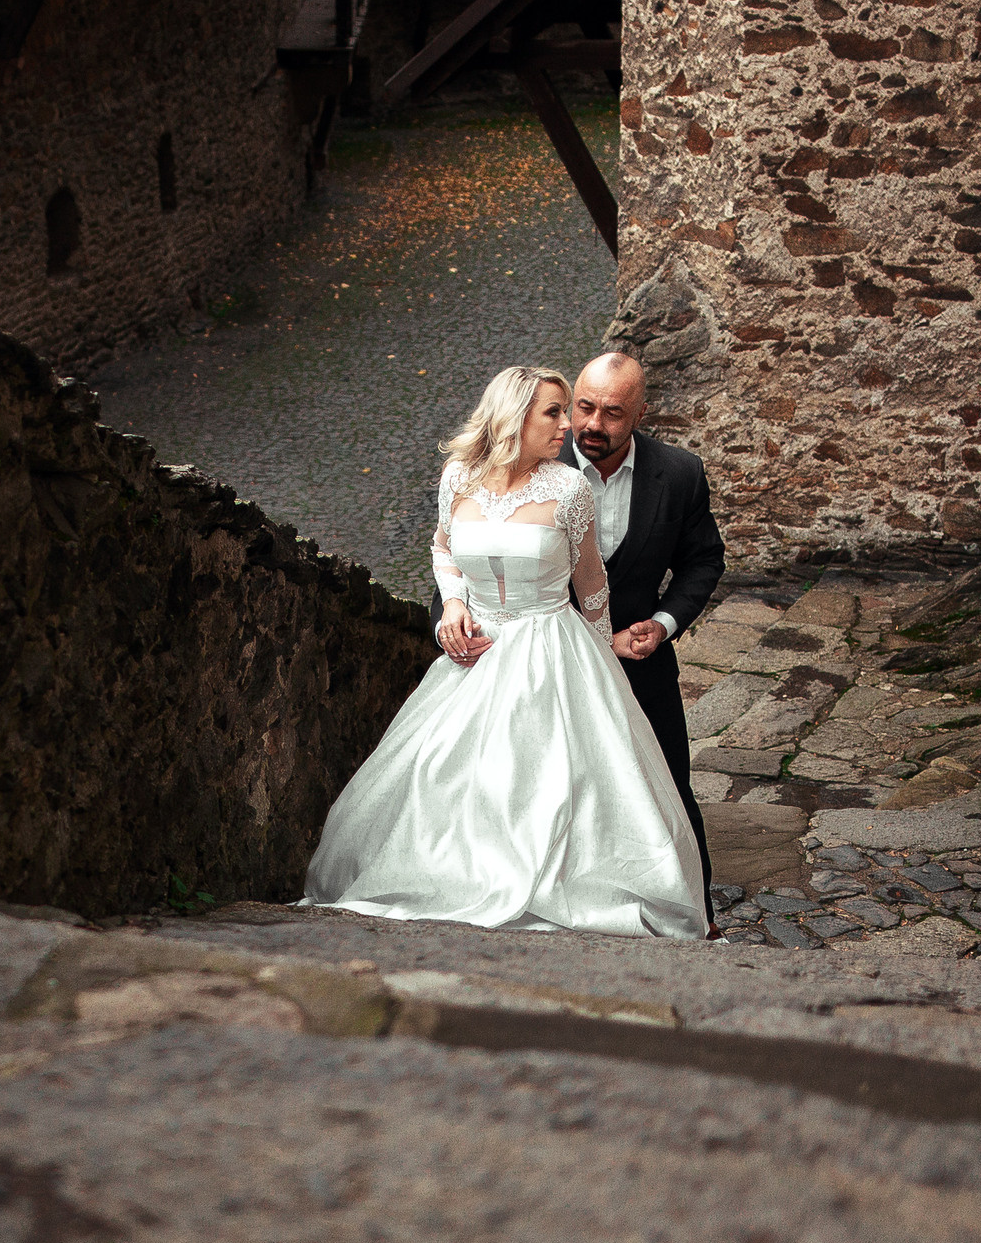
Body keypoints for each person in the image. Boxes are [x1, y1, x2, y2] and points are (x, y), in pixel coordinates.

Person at [299, 366, 706, 937]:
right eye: (556, 412)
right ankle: (459, 883)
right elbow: (444, 549)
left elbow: (591, 585)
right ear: (514, 415)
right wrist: (455, 605)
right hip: (477, 656)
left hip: (552, 648)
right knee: (451, 776)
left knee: (560, 782)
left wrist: (600, 670)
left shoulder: (567, 488)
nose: (568, 426)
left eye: (572, 412)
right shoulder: (458, 477)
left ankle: (570, 890)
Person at [557, 352, 726, 926]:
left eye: (612, 413)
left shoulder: (679, 474)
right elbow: (469, 552)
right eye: (584, 407)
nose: (592, 426)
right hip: (547, 669)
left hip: (641, 668)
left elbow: (703, 561)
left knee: (668, 792)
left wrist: (664, 622)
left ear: (641, 415)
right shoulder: (529, 463)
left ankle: (695, 916)